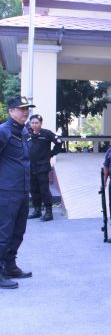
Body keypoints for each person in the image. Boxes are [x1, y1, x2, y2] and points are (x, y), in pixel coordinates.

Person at [0, 96, 35, 289]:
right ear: (11, 111)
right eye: (21, 109)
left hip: (22, 190)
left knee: (18, 232)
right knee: (3, 233)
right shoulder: (3, 131)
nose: (25, 112)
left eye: (27, 108)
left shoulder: (24, 132)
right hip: (6, 191)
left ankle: (10, 265)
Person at [27, 114, 63, 221]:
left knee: (44, 190)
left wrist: (51, 154)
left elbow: (59, 142)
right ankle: (37, 210)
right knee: (33, 190)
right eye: (32, 123)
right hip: (30, 167)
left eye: (36, 123)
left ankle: (48, 212)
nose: (34, 125)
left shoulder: (46, 133)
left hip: (42, 167)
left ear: (41, 123)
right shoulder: (27, 134)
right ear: (30, 123)